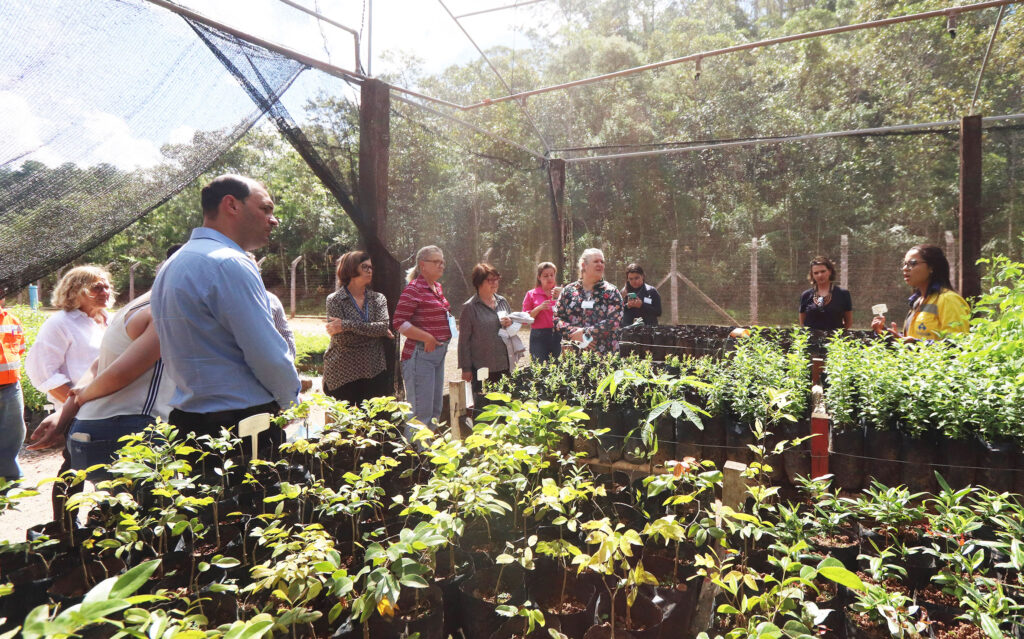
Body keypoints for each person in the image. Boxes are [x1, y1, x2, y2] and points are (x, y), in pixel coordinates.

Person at [151, 174, 300, 452]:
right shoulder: (230, 262)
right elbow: (266, 353)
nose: (273, 219)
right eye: (265, 209)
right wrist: (290, 402)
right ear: (231, 205)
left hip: (190, 422)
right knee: (258, 494)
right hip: (241, 427)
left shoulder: (176, 263)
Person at [31, 291, 172, 481]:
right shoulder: (163, 311)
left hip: (89, 424)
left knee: (107, 506)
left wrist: (64, 414)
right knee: (149, 506)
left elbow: (99, 366)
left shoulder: (128, 309)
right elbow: (119, 374)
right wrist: (81, 396)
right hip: (130, 425)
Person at [25, 266, 112, 405]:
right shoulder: (60, 323)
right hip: (82, 414)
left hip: (115, 408)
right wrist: (78, 406)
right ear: (75, 291)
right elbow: (42, 374)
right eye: (97, 288)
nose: (105, 292)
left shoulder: (113, 320)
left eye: (107, 287)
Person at [392, 245, 452, 432]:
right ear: (422, 265)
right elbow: (399, 322)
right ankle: (416, 457)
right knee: (420, 414)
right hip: (420, 356)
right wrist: (427, 337)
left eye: (443, 262)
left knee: (435, 410)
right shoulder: (414, 289)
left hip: (437, 355)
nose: (441, 265)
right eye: (436, 262)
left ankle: (428, 455)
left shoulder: (437, 287)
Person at [324, 251, 393, 404]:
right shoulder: (335, 300)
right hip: (343, 374)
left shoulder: (378, 298)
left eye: (371, 267)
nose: (370, 271)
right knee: (345, 426)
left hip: (373, 371)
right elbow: (343, 340)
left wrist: (346, 325)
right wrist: (372, 333)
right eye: (365, 267)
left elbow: (383, 327)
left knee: (374, 425)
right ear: (351, 268)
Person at [871, 244, 970, 341]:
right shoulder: (916, 302)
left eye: (912, 263)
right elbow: (910, 343)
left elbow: (957, 344)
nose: (905, 268)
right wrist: (885, 334)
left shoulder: (949, 299)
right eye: (904, 264)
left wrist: (916, 344)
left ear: (932, 267)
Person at [459, 263, 516, 397]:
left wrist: (511, 323)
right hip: (481, 366)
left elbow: (512, 329)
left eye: (497, 279)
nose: (495, 283)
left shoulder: (502, 302)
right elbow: (464, 341)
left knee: (504, 405)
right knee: (483, 405)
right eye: (490, 280)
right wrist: (466, 368)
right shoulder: (470, 307)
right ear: (479, 282)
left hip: (504, 364)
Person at [555, 248, 623, 354]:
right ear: (583, 265)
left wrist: (585, 333)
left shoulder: (611, 291)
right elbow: (556, 317)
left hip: (604, 354)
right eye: (596, 261)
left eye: (602, 262)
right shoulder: (568, 291)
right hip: (573, 353)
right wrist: (573, 333)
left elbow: (614, 320)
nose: (600, 264)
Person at [246, 252, 295, 360]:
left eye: (257, 270)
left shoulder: (271, 299)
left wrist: (289, 362)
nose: (255, 274)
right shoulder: (222, 301)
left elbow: (285, 334)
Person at [0, 286, 27, 481]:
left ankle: (10, 479)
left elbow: (20, 349)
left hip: (11, 387)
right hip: (10, 387)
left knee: (13, 434)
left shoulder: (12, 320)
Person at [522, 261, 562, 363]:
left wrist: (562, 296)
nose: (549, 278)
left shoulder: (563, 293)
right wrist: (539, 308)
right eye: (545, 276)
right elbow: (524, 320)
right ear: (539, 277)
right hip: (539, 337)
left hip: (558, 334)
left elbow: (570, 314)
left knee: (559, 368)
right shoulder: (531, 294)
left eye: (551, 275)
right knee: (540, 369)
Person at [798, 256, 852, 331]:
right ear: (812, 275)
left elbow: (848, 322)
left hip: (834, 341)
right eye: (816, 273)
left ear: (830, 271)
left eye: (823, 271)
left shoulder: (843, 294)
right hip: (810, 341)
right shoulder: (806, 295)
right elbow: (802, 323)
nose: (820, 275)